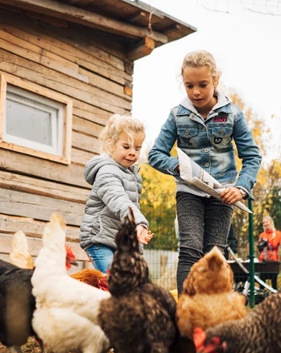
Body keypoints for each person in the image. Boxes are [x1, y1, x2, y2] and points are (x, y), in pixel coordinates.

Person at [148, 50, 262, 293]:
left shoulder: (233, 115)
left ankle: (212, 312)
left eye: (203, 84)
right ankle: (185, 311)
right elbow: (155, 155)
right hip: (189, 191)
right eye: (189, 86)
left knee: (214, 253)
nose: (196, 92)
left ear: (216, 81)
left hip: (222, 193)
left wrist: (240, 188)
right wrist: (178, 167)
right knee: (190, 248)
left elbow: (252, 156)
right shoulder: (177, 115)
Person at [79, 114, 153, 273]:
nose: (133, 152)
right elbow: (118, 200)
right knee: (114, 281)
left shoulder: (133, 174)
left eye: (137, 148)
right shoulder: (107, 171)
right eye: (126, 147)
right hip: (100, 240)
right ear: (111, 145)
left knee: (129, 282)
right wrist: (138, 223)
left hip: (119, 242)